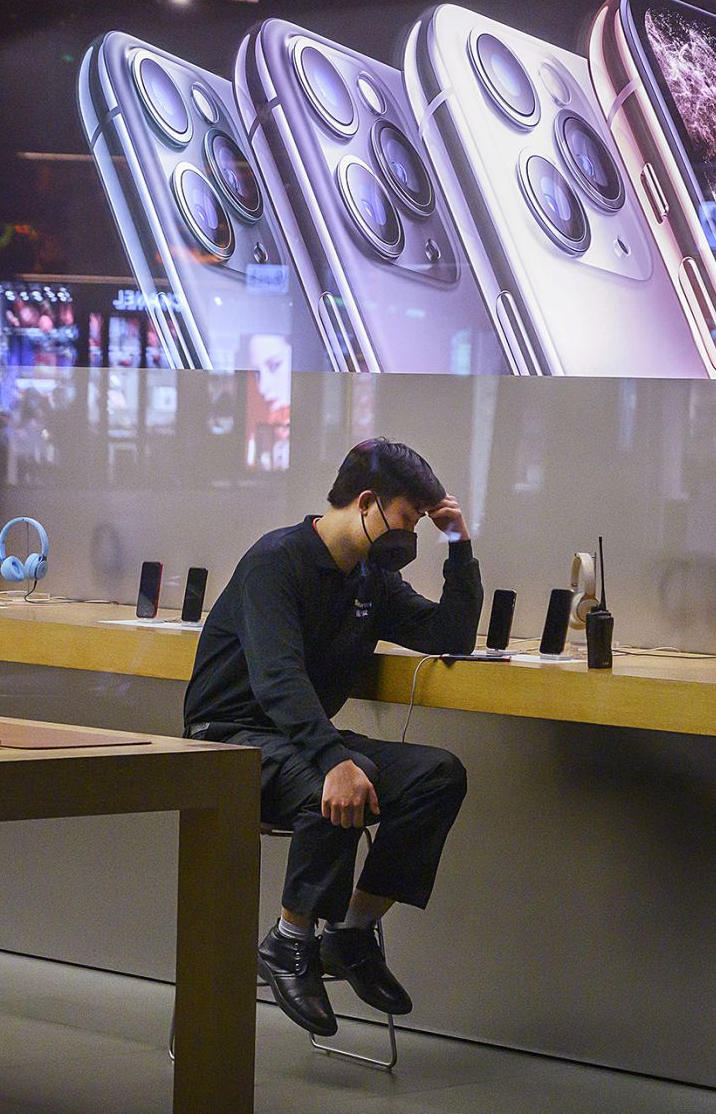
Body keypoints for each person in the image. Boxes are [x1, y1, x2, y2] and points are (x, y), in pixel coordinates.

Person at [184, 438, 478, 1036]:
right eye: (408, 519)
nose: (412, 534)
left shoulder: (370, 577)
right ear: (367, 503)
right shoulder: (277, 561)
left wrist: (459, 546)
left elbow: (451, 635)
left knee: (437, 775)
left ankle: (350, 935)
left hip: (297, 737)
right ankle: (290, 942)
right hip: (227, 736)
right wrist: (334, 760)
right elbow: (276, 680)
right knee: (337, 779)